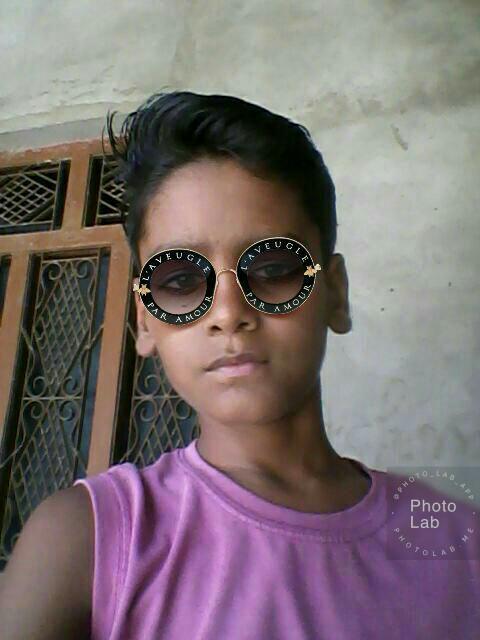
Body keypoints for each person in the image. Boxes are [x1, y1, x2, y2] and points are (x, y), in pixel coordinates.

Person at [1, 90, 478, 639]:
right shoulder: (89, 540)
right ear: (145, 321)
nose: (229, 313)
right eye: (180, 279)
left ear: (335, 294)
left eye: (273, 268)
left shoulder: (453, 539)